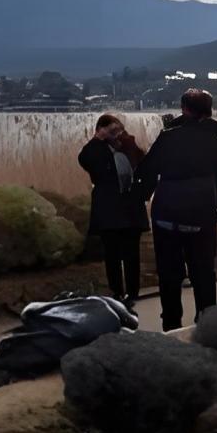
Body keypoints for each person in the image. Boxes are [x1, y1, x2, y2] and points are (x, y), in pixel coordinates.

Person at [139, 88, 217, 331]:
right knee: (203, 273)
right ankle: (208, 323)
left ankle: (171, 324)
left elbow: (147, 171)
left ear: (184, 108)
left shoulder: (168, 138)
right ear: (209, 110)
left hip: (166, 214)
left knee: (169, 275)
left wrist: (143, 194)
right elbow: (216, 180)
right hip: (201, 214)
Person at [78, 114, 149, 308]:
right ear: (100, 129)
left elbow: (143, 163)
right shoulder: (95, 150)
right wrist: (98, 139)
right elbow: (84, 160)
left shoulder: (128, 146)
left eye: (118, 130)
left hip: (130, 207)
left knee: (132, 252)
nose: (115, 134)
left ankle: (133, 291)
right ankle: (117, 291)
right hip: (109, 207)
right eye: (111, 131)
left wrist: (125, 139)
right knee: (112, 253)